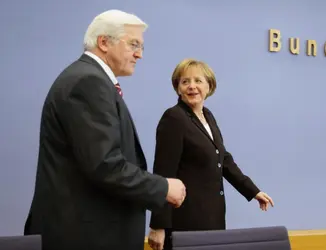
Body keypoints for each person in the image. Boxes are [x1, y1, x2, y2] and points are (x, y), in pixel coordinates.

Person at [23, 10, 186, 250]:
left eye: (141, 46)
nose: (139, 54)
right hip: (86, 236)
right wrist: (162, 188)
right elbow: (104, 165)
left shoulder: (89, 79)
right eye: (133, 44)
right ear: (103, 42)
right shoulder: (88, 83)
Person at [148, 58, 274, 250]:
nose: (192, 86)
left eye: (198, 81)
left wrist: (252, 191)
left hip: (212, 219)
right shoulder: (173, 118)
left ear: (209, 86)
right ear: (178, 87)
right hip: (184, 224)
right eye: (185, 82)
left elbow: (223, 158)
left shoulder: (208, 116)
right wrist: (158, 225)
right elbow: (163, 174)